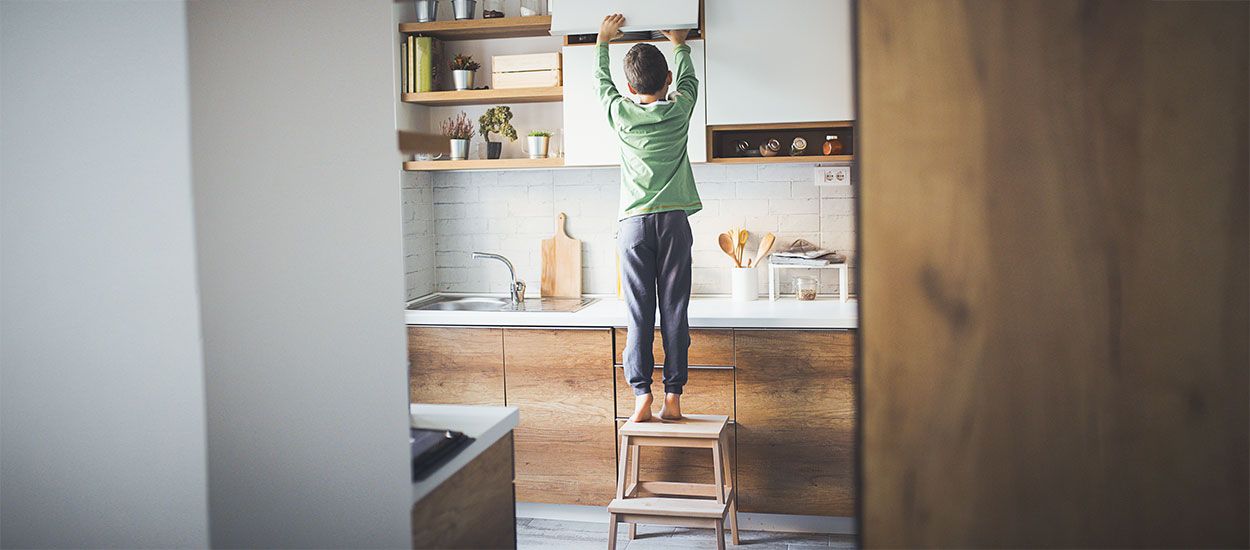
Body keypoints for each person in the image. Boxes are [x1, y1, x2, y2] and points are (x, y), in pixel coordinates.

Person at [596, 14, 700, 422]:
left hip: (634, 226)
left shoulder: (621, 113)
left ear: (630, 88)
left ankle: (642, 394)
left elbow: (600, 85)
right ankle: (673, 396)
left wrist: (603, 41)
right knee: (675, 309)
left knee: (639, 312)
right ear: (667, 79)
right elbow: (690, 84)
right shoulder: (679, 112)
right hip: (673, 222)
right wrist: (680, 43)